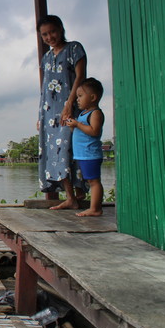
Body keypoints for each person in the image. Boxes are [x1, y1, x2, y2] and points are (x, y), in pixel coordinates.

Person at [36, 14, 88, 209]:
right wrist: (40, 116)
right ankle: (70, 197)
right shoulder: (47, 58)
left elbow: (81, 77)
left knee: (72, 148)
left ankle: (81, 191)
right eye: (45, 35)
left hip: (72, 108)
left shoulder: (74, 48)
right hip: (50, 113)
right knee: (56, 153)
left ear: (61, 29)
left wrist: (69, 104)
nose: (50, 37)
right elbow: (45, 88)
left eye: (52, 32)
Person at [66, 78, 105, 216]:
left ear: (93, 97)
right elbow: (79, 132)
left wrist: (77, 124)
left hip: (90, 154)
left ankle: (95, 209)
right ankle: (94, 207)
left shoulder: (95, 113)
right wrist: (72, 126)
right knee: (91, 180)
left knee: (94, 182)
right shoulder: (83, 114)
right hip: (82, 154)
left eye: (81, 96)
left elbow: (94, 131)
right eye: (77, 97)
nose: (78, 99)